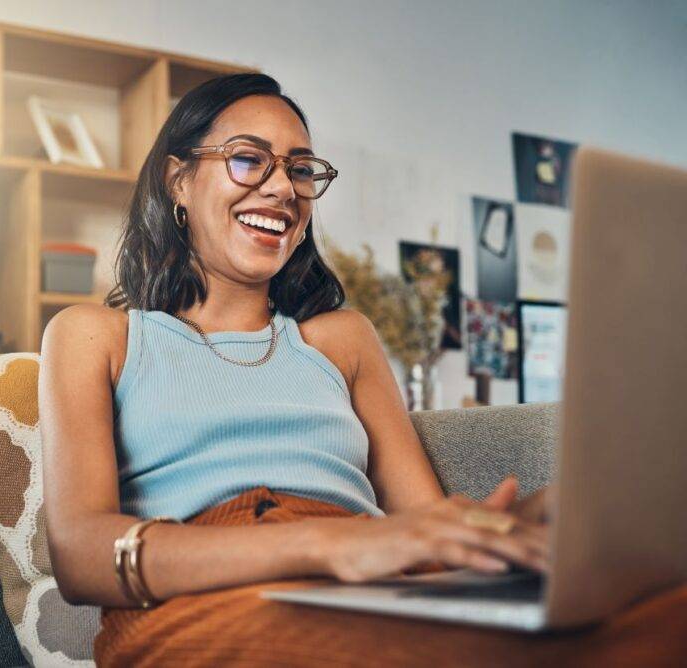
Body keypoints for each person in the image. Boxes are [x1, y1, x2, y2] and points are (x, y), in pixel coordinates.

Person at [38, 73, 686, 666]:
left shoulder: (340, 339)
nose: (282, 187)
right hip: (198, 600)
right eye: (248, 158)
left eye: (300, 169)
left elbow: (426, 522)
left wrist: (539, 522)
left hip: (372, 584)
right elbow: (82, 555)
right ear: (178, 181)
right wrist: (325, 545)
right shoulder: (96, 336)